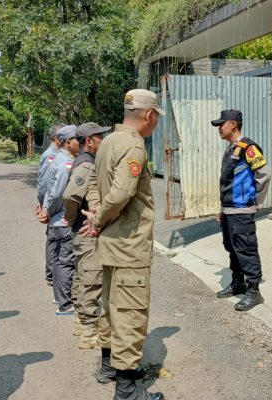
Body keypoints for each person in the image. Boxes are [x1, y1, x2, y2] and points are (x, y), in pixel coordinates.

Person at [81, 89, 165, 400]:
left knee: (111, 308)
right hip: (129, 245)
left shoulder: (107, 143)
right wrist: (100, 219)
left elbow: (93, 184)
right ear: (150, 115)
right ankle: (127, 390)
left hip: (110, 246)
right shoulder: (134, 146)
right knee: (130, 313)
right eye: (156, 118)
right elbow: (120, 194)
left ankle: (108, 367)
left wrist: (96, 217)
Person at [211, 109, 271, 311]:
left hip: (242, 210)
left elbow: (264, 175)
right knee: (232, 248)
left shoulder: (248, 148)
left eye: (222, 124)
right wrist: (222, 208)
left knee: (246, 249)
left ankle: (254, 291)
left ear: (233, 125)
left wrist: (254, 201)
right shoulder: (230, 149)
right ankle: (238, 282)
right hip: (228, 211)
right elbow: (228, 182)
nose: (219, 128)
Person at [63, 122, 109, 348]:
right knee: (91, 278)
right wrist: (72, 220)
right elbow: (71, 196)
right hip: (86, 229)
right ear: (89, 142)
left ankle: (81, 322)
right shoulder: (87, 165)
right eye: (100, 136)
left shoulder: (87, 162)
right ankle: (89, 332)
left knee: (82, 276)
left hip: (83, 229)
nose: (104, 139)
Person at [38, 124, 79, 315]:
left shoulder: (61, 159)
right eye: (77, 139)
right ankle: (66, 303)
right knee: (66, 262)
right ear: (69, 142)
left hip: (55, 219)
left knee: (57, 260)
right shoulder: (65, 163)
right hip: (62, 218)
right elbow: (56, 193)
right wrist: (48, 211)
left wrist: (46, 210)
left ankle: (60, 297)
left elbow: (47, 189)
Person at [37, 123, 64, 286]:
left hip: (53, 203)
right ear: (55, 138)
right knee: (54, 240)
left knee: (55, 239)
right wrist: (45, 208)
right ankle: (51, 273)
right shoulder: (51, 156)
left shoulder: (58, 154)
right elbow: (44, 185)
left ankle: (54, 272)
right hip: (51, 204)